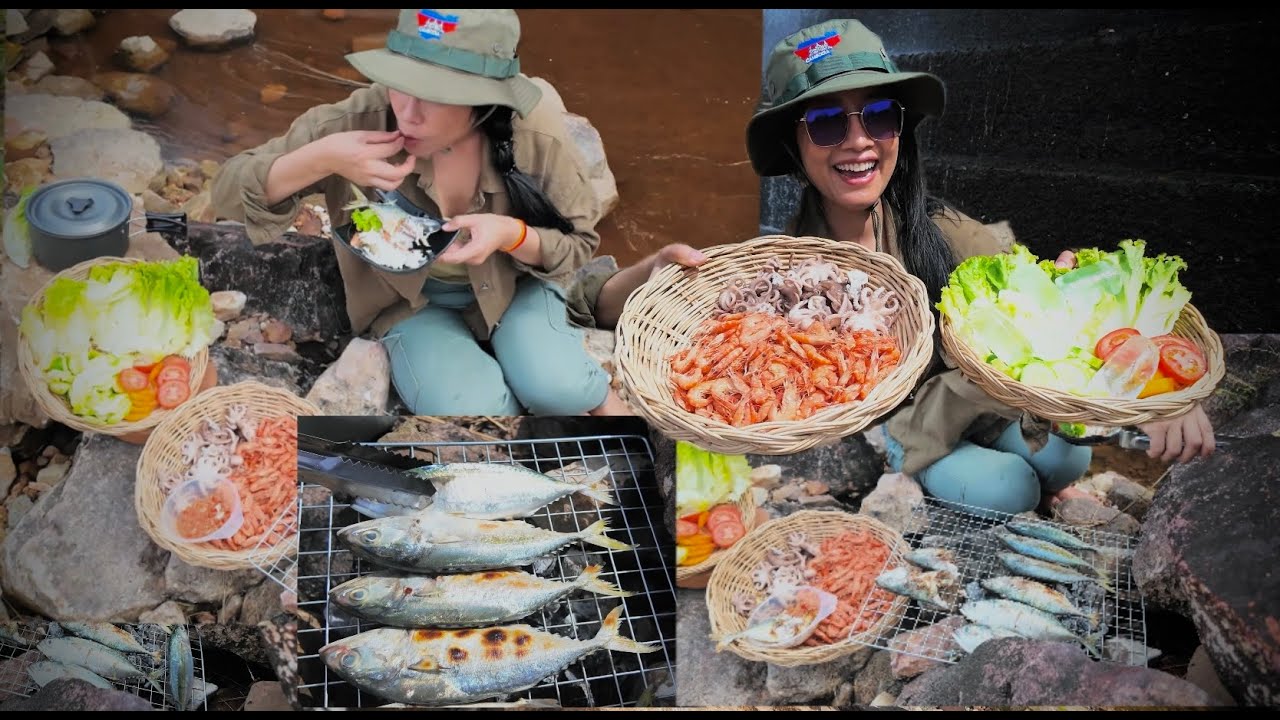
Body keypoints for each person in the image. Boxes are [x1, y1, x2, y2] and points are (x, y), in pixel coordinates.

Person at [581, 18, 1216, 516]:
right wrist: (657, 265)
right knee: (1012, 489)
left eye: (879, 116)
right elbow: (598, 306)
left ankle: (1025, 476)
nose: (858, 140)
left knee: (1068, 460)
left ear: (899, 133)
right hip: (907, 431)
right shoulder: (776, 274)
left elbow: (1068, 318)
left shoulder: (949, 236)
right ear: (794, 147)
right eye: (827, 123)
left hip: (982, 404)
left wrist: (1164, 389)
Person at [211, 9, 629, 417]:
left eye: (434, 95)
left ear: (483, 98)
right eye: (400, 83)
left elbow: (577, 245)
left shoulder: (533, 133)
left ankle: (597, 398)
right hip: (410, 303)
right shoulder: (356, 123)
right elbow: (228, 193)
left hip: (517, 286)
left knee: (560, 391)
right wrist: (320, 160)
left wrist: (512, 236)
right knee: (470, 409)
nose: (408, 113)